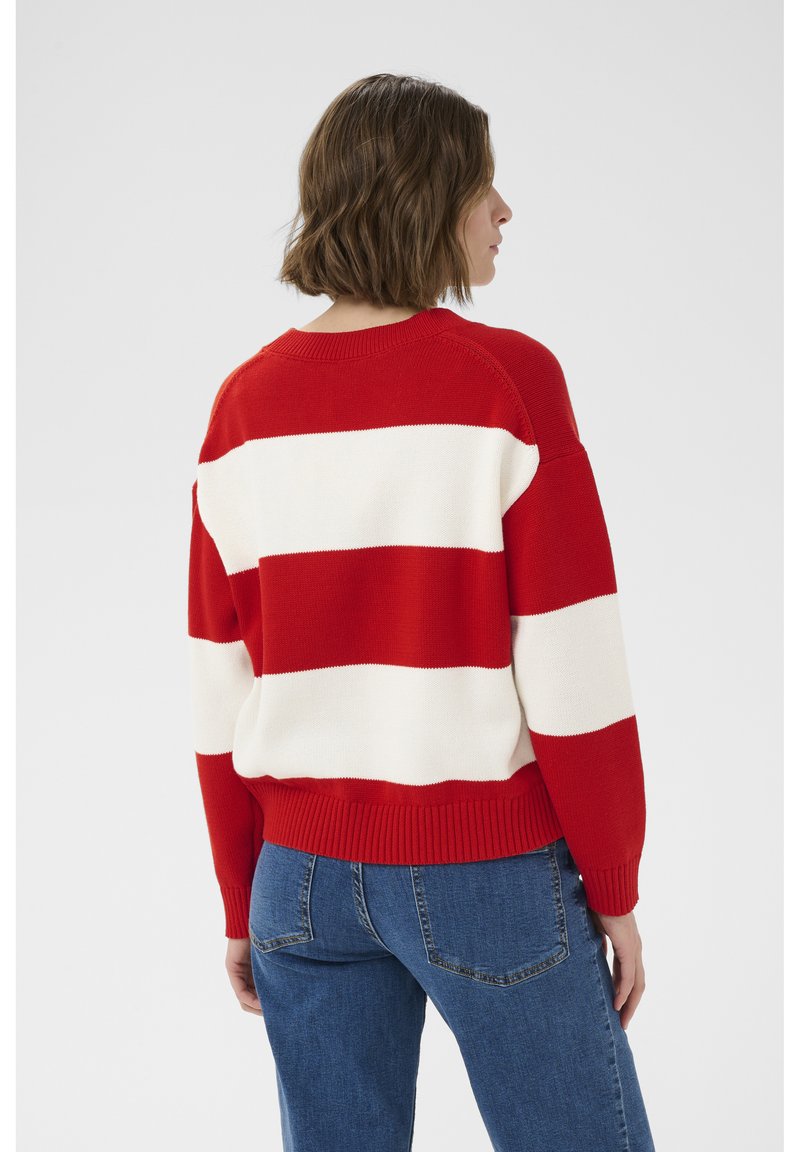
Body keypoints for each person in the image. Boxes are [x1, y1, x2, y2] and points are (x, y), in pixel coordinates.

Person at [187, 72, 656, 1152]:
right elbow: (573, 661)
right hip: (485, 869)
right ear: (426, 198)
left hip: (298, 884)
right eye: (483, 185)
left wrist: (239, 892)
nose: (504, 210)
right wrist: (614, 883)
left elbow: (219, 676)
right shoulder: (508, 380)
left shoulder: (243, 406)